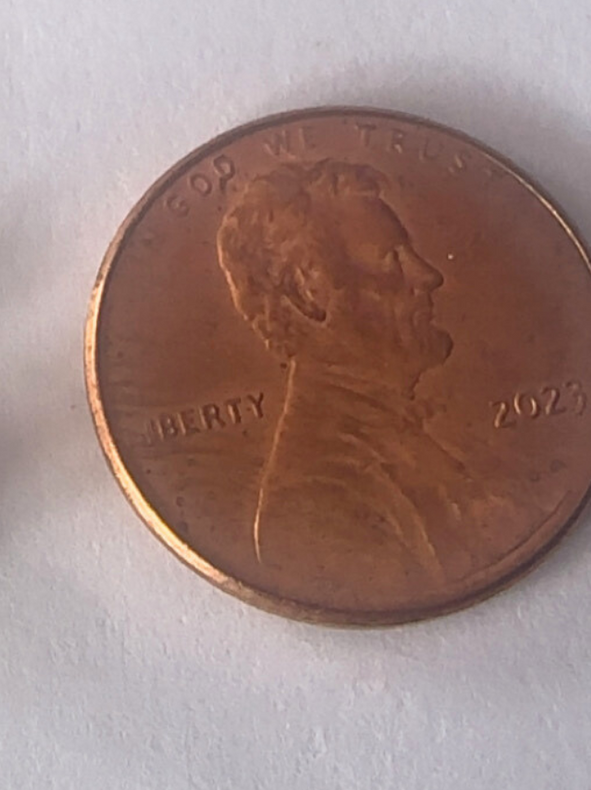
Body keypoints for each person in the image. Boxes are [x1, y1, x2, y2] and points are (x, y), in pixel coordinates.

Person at [217, 160, 522, 593]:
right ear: (309, 291)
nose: (429, 276)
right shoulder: (319, 507)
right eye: (392, 259)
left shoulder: (398, 444)